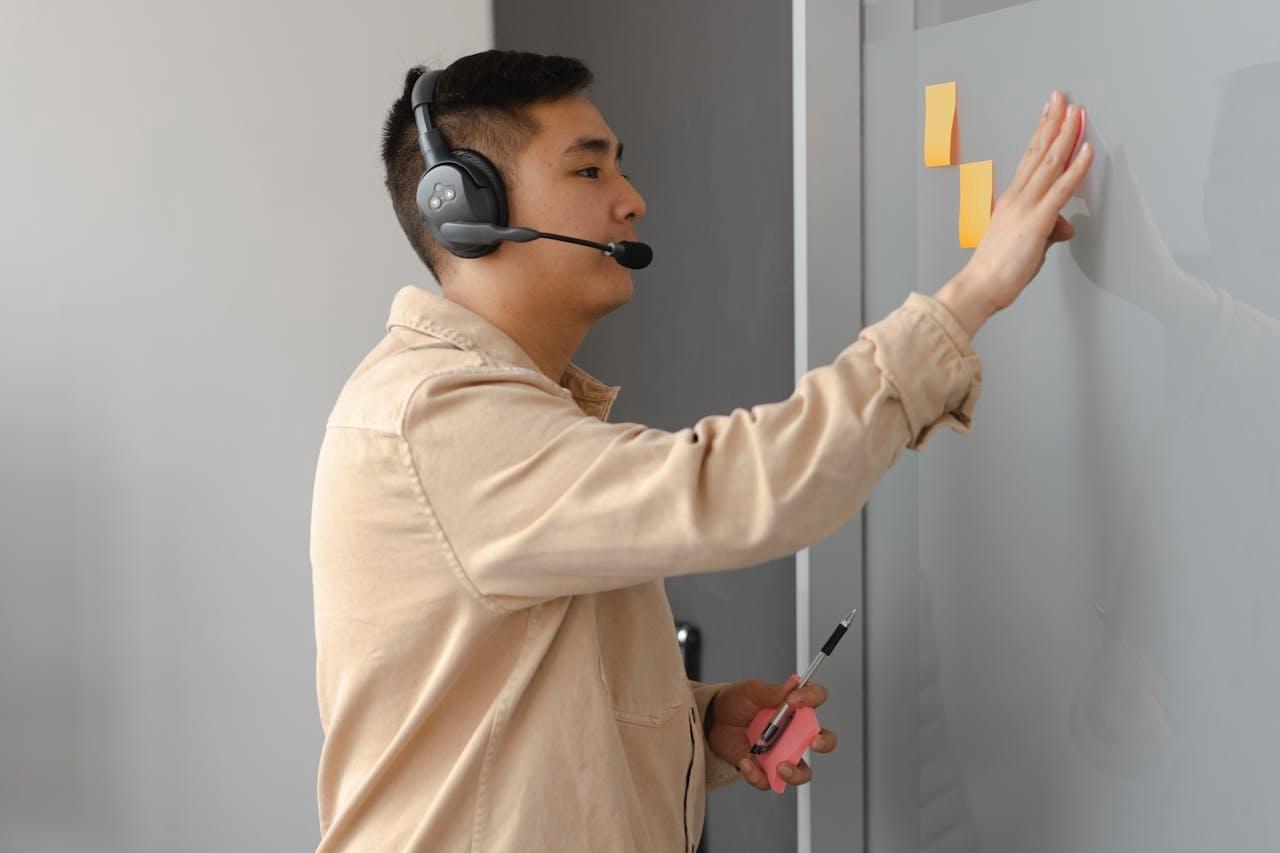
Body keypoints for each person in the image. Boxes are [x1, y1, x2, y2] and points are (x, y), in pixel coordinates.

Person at [308, 48, 1091, 852]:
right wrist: (976, 291)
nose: (631, 200)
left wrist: (695, 719)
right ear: (466, 207)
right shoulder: (438, 419)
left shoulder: (502, 411)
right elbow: (741, 490)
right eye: (589, 170)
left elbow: (510, 698)